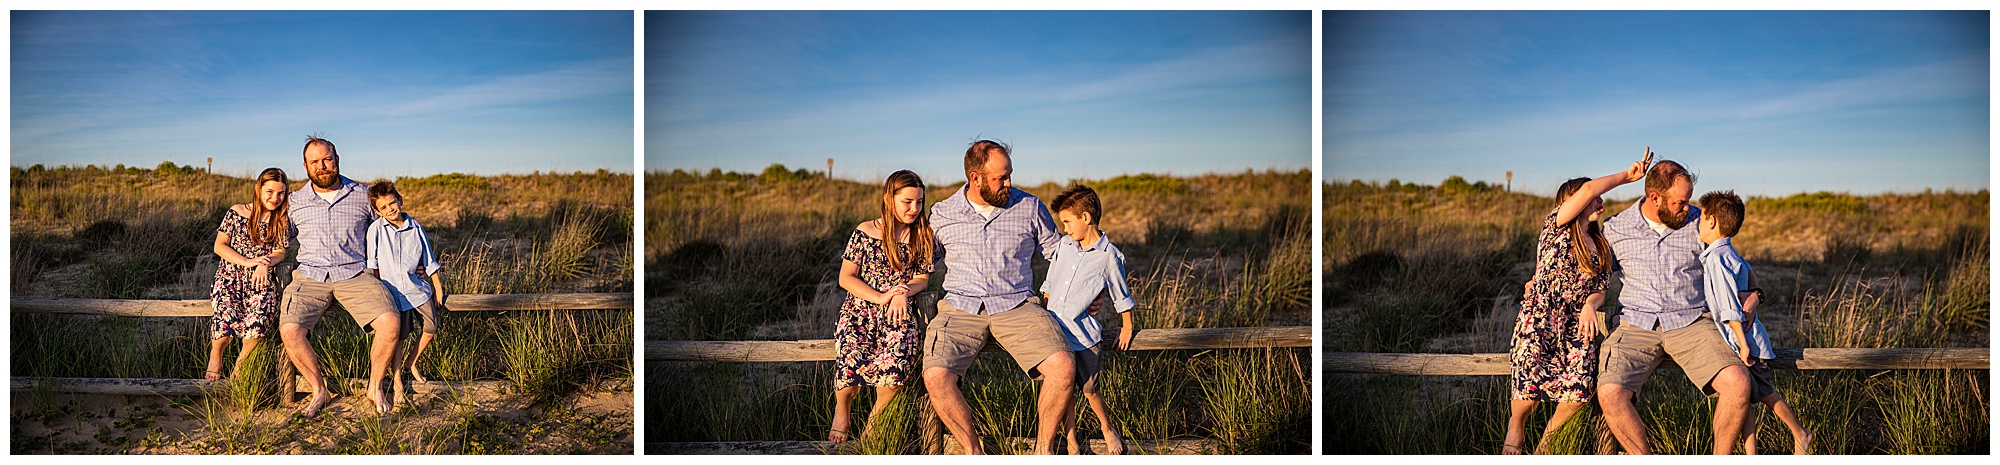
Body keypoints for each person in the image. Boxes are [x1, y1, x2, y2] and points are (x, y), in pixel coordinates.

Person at [923, 139, 1075, 454]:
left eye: (1009, 175)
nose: (1008, 183)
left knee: (1063, 365)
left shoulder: (1030, 206)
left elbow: (1060, 256)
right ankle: (973, 453)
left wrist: (1089, 287)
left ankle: (1043, 452)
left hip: (1017, 305)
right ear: (974, 178)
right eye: (1000, 178)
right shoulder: (942, 213)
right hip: (960, 307)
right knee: (936, 377)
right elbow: (922, 263)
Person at [1597, 157, 1755, 455]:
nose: (1686, 207)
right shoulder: (1616, 228)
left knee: (1738, 382)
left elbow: (1736, 264)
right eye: (1680, 202)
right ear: (1654, 198)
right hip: (1635, 326)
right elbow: (1592, 275)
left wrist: (1754, 293)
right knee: (1609, 392)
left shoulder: (1701, 222)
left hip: (1691, 321)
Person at [1502, 150, 1649, 454]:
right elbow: (1589, 189)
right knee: (1529, 387)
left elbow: (1600, 287)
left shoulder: (1601, 243)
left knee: (1578, 394)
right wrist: (1626, 177)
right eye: (1592, 197)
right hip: (1542, 315)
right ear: (1573, 202)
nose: (1599, 200)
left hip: (1578, 322)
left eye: (1598, 197)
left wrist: (1590, 305)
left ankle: (1544, 448)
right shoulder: (1554, 229)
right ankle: (1515, 431)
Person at [278, 135, 403, 416]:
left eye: (326, 159)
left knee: (390, 322)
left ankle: (374, 386)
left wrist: (412, 261)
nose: (321, 166)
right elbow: (278, 239)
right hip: (310, 276)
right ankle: (319, 390)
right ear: (305, 166)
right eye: (314, 162)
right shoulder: (295, 201)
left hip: (355, 273)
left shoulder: (363, 195)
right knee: (289, 330)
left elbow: (391, 230)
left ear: (337, 159)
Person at [1696, 191, 1813, 455]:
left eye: (1702, 219)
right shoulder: (1729, 253)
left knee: (1765, 393)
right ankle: (1752, 454)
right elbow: (1750, 279)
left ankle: (1800, 432)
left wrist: (1742, 343)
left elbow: (1728, 305)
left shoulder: (1716, 259)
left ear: (1712, 221)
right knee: (1744, 400)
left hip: (1744, 341)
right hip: (1740, 340)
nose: (1698, 224)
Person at [828, 170, 935, 443]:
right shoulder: (865, 231)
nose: (914, 209)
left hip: (898, 311)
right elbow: (846, 277)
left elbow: (922, 278)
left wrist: (901, 293)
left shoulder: (922, 235)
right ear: (890, 199)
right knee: (850, 365)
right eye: (907, 202)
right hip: (860, 311)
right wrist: (881, 296)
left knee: (896, 368)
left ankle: (875, 422)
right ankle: (843, 408)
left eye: (919, 202)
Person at [1042, 184, 1138, 455]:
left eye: (1068, 222)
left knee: (1089, 389)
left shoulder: (1109, 257)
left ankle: (1107, 429)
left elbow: (1121, 294)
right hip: (1056, 334)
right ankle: (1072, 440)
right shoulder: (1064, 245)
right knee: (1064, 392)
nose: (1065, 229)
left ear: (1086, 217)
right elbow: (1049, 283)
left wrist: (1127, 326)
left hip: (1083, 336)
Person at [364, 181, 446, 406]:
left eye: (392, 203)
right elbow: (373, 264)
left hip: (416, 290)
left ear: (399, 200)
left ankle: (412, 362)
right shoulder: (376, 230)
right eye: (384, 207)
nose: (390, 209)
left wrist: (437, 286)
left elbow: (428, 259)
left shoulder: (415, 227)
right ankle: (398, 383)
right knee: (398, 340)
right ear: (378, 211)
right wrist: (378, 292)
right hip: (393, 294)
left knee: (431, 326)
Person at [205, 168, 292, 381]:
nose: (275, 198)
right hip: (230, 276)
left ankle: (241, 364)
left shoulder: (280, 219)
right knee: (225, 321)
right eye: (270, 191)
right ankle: (216, 354)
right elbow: (219, 246)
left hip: (259, 278)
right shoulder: (237, 211)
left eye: (280, 193)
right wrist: (247, 262)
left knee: (258, 323)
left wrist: (264, 264)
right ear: (258, 188)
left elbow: (280, 252)